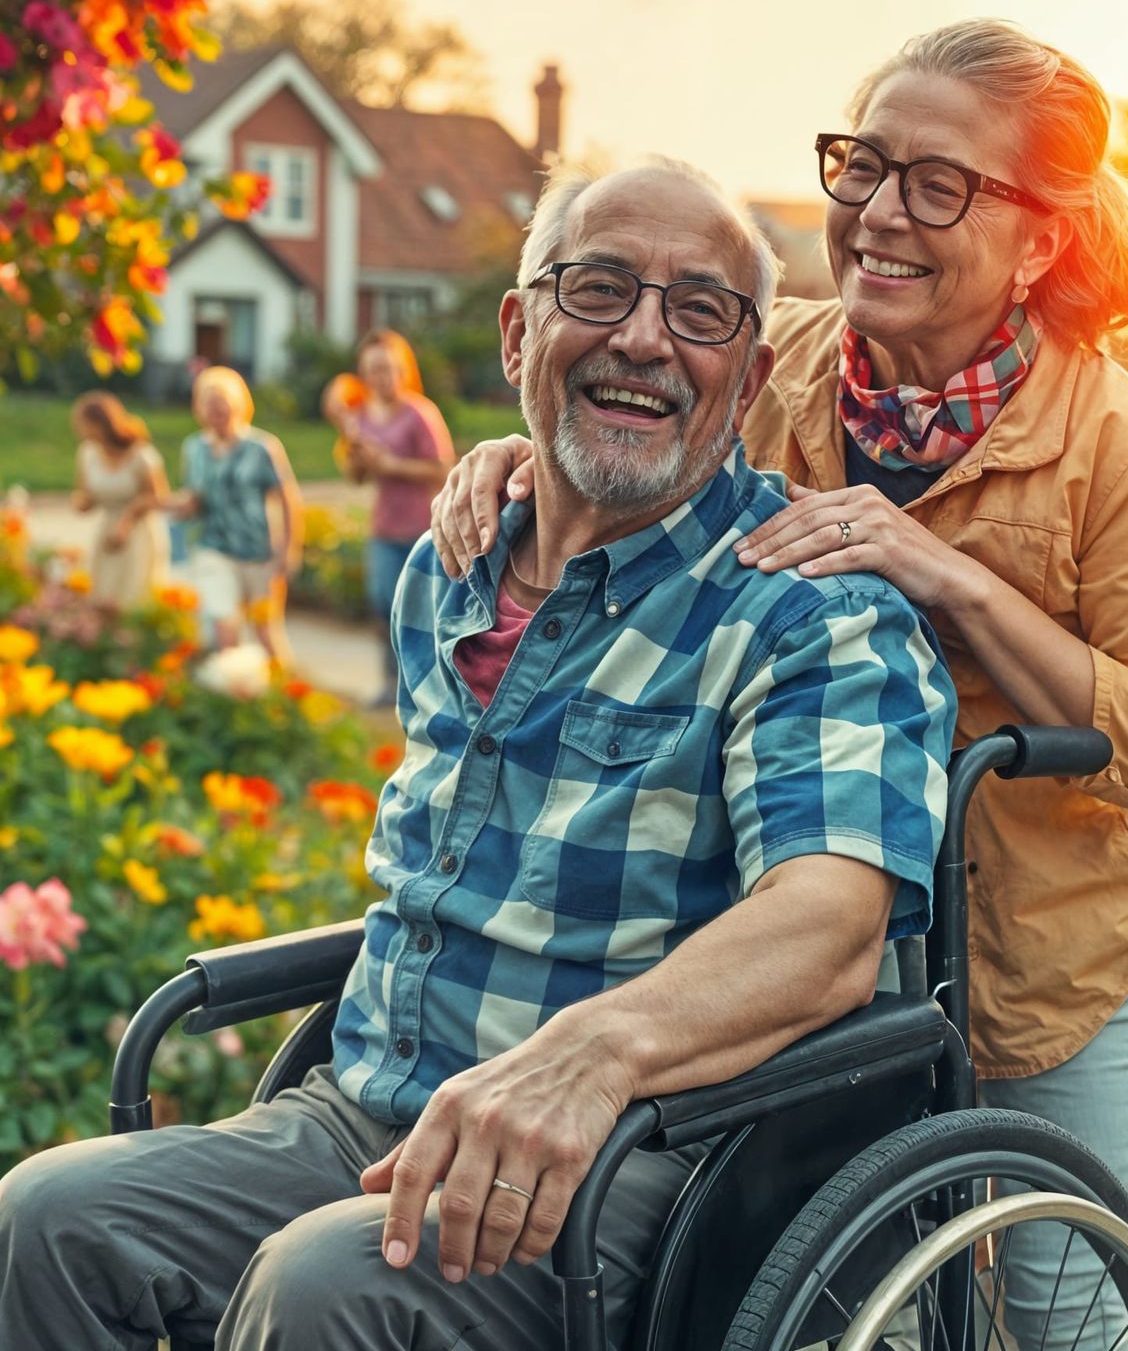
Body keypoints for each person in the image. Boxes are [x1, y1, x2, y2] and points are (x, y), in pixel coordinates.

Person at [0, 160, 955, 1351]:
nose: (645, 338)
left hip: (629, 1161)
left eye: (700, 310)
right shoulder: (447, 570)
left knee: (323, 1284)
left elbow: (828, 929)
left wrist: (589, 1057)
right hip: (361, 1115)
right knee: (42, 1216)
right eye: (599, 288)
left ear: (748, 378)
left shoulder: (809, 611)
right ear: (518, 332)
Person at [431, 19, 1128, 1349]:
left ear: (1039, 242)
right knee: (846, 1293)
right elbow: (629, 433)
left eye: (940, 183)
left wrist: (956, 581)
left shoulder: (1114, 439)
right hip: (842, 922)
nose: (880, 212)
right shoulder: (772, 361)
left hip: (1073, 951)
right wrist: (520, 461)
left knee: (1049, 1307)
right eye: (866, 165)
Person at [324, 330, 455, 705]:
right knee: (384, 607)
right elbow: (356, 477)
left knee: (424, 612)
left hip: (424, 530)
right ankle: (393, 684)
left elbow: (444, 469)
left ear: (402, 369)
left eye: (387, 368)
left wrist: (391, 464)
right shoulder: (361, 417)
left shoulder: (420, 413)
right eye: (373, 370)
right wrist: (355, 450)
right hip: (384, 528)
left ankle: (429, 689)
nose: (380, 377)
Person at [167, 366, 303, 663]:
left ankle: (286, 686)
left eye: (223, 402)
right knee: (224, 625)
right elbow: (194, 497)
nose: (217, 410)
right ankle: (233, 684)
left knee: (265, 630)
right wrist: (177, 505)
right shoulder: (194, 448)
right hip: (214, 547)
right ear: (199, 408)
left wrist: (288, 549)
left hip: (258, 550)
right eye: (210, 404)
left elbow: (288, 500)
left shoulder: (262, 447)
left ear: (239, 404)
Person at [68, 392, 169, 610]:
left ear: (100, 424)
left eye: (83, 423)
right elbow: (86, 495)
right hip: (107, 531)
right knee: (102, 595)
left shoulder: (141, 455)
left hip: (139, 531)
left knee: (135, 597)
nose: (78, 429)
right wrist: (81, 503)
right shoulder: (87, 454)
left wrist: (127, 520)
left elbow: (159, 497)